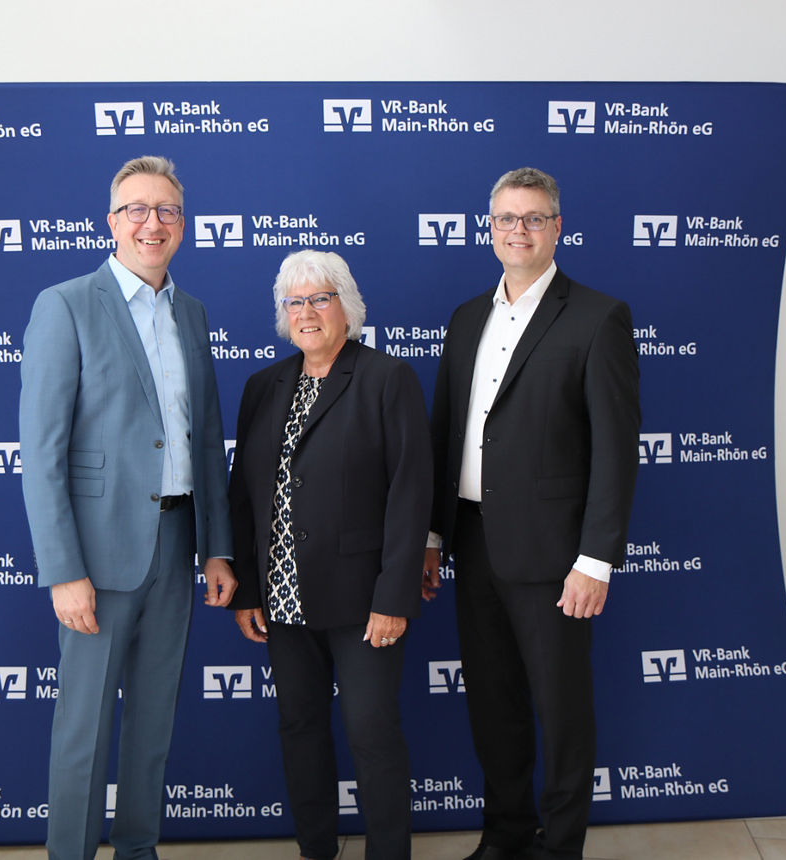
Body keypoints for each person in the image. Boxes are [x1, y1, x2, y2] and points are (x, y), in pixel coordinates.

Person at [19, 155, 236, 860]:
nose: (153, 222)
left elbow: (206, 442)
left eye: (167, 210)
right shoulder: (66, 304)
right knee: (82, 731)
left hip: (176, 547)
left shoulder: (192, 313)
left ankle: (139, 850)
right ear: (111, 222)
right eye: (137, 209)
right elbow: (43, 451)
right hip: (97, 560)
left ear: (183, 225)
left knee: (152, 727)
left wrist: (217, 547)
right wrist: (62, 570)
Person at [422, 168, 640, 860]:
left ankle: (561, 846)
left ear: (557, 228)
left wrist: (595, 559)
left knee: (561, 711)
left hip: (555, 554)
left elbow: (615, 450)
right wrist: (432, 535)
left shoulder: (598, 317)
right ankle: (506, 836)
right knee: (493, 704)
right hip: (474, 541)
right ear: (489, 229)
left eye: (533, 218)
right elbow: (444, 432)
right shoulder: (466, 317)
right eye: (506, 220)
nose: (518, 231)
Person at [230, 250, 432, 860]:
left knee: (371, 734)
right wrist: (246, 589)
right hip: (284, 599)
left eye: (321, 298)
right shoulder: (263, 386)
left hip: (363, 601)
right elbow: (243, 495)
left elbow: (410, 492)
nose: (307, 312)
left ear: (348, 307)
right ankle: (316, 848)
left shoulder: (385, 378)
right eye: (295, 302)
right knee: (300, 729)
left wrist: (393, 596)